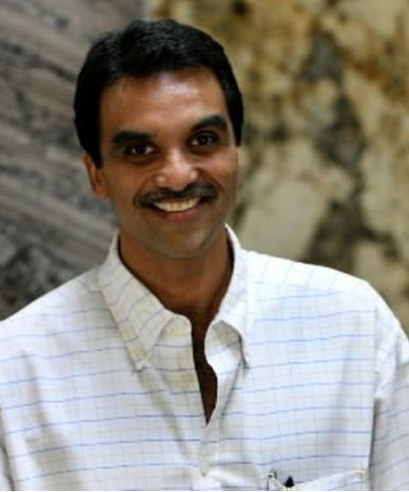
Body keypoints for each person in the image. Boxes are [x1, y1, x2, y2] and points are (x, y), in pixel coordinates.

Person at [0, 18, 408, 491]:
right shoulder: (14, 376)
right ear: (96, 174)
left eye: (203, 140)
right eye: (140, 149)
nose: (177, 175)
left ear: (237, 151)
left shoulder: (355, 327)